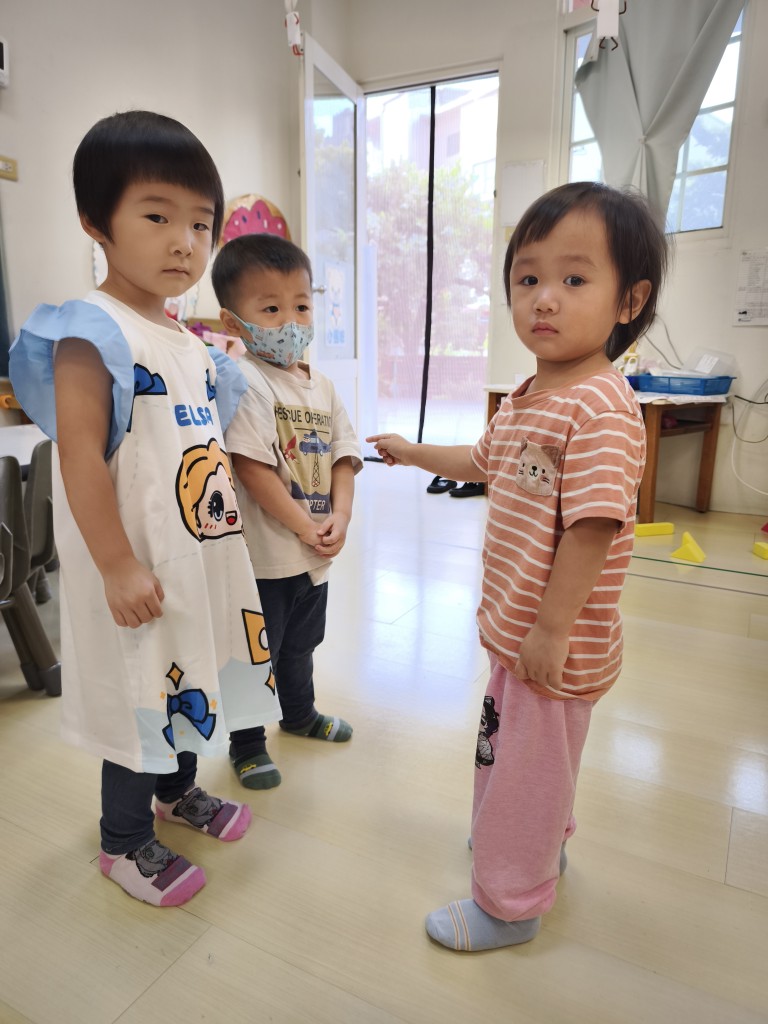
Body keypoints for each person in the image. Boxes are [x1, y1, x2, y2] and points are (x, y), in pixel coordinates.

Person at [368, 181, 668, 951]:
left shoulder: (600, 406)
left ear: (629, 301)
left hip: (550, 642)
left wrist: (551, 630)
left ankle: (511, 903)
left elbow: (594, 529)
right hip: (519, 631)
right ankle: (531, 841)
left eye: (574, 278)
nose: (544, 298)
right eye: (528, 278)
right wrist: (412, 451)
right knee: (521, 758)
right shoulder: (532, 395)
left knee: (525, 764)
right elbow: (481, 462)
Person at [9, 110, 282, 908]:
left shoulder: (191, 344)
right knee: (141, 696)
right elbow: (79, 457)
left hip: (197, 557)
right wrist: (117, 564)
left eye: (200, 223)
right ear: (96, 221)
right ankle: (124, 840)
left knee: (192, 670)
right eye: (157, 217)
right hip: (132, 564)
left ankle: (177, 792)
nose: (184, 243)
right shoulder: (90, 332)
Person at [211, 233, 362, 790]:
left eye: (300, 306)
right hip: (266, 558)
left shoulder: (322, 386)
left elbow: (344, 456)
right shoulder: (246, 381)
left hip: (314, 552)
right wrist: (304, 526)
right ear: (233, 322)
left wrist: (340, 518)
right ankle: (247, 744)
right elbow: (252, 470)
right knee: (258, 653)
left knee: (301, 645)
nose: (290, 321)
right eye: (270, 309)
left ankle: (298, 715)